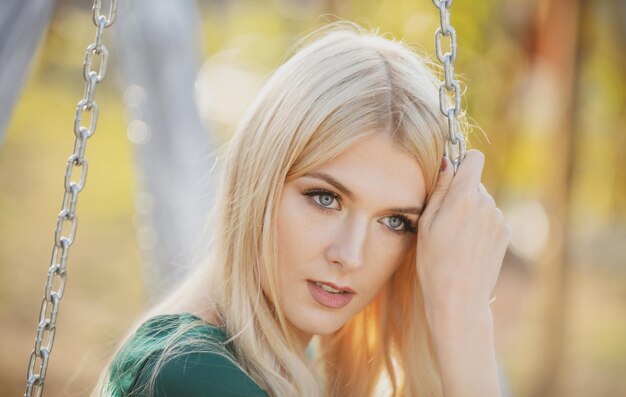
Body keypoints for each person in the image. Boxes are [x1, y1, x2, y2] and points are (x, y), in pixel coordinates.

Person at [94, 21, 511, 397]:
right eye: (325, 198)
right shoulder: (189, 375)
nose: (350, 255)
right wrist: (464, 323)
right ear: (259, 179)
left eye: (394, 221)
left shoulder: (294, 368)